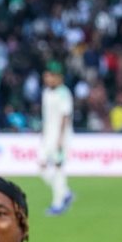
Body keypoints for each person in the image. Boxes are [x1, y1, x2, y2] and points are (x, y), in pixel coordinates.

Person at [39, 63, 75, 215]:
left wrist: (60, 138)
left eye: (50, 76)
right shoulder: (46, 93)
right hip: (47, 136)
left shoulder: (63, 93)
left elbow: (65, 116)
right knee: (41, 167)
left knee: (58, 167)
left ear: (58, 77)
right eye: (46, 76)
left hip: (60, 137)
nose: (47, 79)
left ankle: (57, 203)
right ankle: (65, 193)